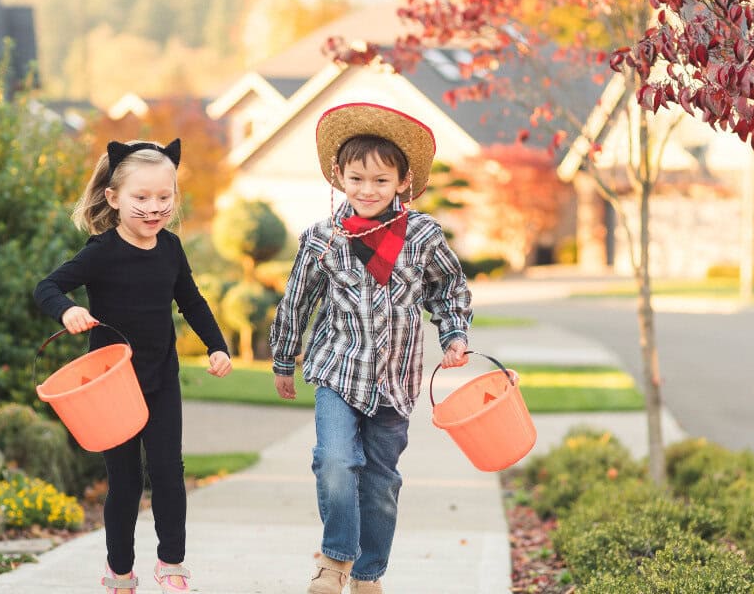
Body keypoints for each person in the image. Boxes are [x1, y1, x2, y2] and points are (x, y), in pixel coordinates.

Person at [269, 103, 473, 594]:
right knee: (334, 461)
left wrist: (454, 334)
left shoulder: (422, 236)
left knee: (381, 483)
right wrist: (283, 359)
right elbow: (297, 300)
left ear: (403, 182)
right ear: (339, 176)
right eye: (357, 179)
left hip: (395, 381)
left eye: (381, 181)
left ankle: (367, 575)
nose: (367, 190)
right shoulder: (322, 239)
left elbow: (449, 289)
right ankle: (336, 558)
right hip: (338, 370)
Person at [34, 139, 232, 594]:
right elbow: (47, 286)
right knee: (124, 482)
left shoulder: (171, 248)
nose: (153, 207)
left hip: (161, 376)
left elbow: (192, 302)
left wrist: (217, 346)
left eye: (164, 197)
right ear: (114, 198)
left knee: (168, 471)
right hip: (111, 387)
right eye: (140, 198)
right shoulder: (101, 252)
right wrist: (67, 311)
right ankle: (120, 573)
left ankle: (171, 563)